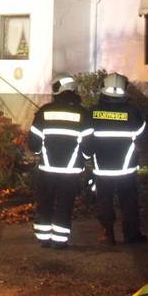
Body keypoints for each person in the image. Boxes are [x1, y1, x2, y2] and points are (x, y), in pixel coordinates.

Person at [27, 74, 93, 249]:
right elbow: (88, 147)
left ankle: (43, 238)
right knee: (65, 203)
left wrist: (40, 152)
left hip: (47, 170)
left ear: (58, 90)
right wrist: (84, 159)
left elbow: (34, 143)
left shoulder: (44, 112)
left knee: (45, 202)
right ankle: (59, 241)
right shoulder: (83, 114)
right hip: (71, 172)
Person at [90, 72, 147, 245]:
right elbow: (142, 138)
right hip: (126, 170)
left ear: (102, 88)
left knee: (104, 202)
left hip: (102, 169)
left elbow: (86, 139)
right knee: (129, 202)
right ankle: (131, 235)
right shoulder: (133, 113)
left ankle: (107, 234)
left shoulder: (93, 113)